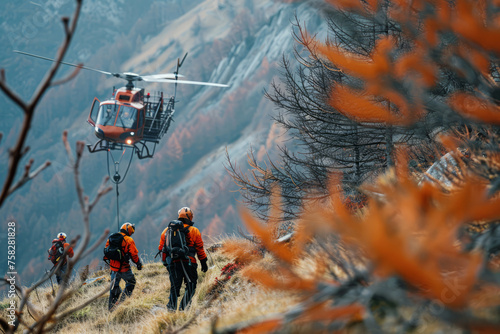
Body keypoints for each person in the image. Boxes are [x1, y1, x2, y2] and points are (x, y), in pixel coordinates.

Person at [158, 207, 208, 311]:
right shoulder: (194, 230)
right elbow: (199, 249)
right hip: (189, 262)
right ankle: (183, 309)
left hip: (173, 263)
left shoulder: (167, 231)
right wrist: (204, 263)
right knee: (191, 285)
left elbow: (162, 248)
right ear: (189, 217)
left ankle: (171, 309)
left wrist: (166, 263)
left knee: (174, 287)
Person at [104, 222, 142, 311]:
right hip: (124, 267)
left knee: (114, 287)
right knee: (131, 282)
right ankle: (123, 303)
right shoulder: (129, 240)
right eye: (131, 230)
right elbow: (134, 255)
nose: (132, 232)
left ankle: (111, 308)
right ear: (128, 229)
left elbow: (106, 251)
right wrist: (138, 263)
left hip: (113, 268)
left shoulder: (111, 238)